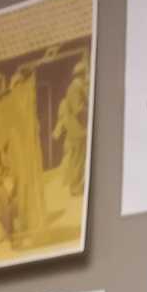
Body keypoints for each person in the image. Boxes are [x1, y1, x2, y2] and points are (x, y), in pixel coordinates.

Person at [52, 57, 89, 195]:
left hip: (79, 129)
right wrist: (89, 111)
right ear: (81, 74)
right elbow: (78, 109)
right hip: (77, 130)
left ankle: (77, 186)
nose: (86, 75)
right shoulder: (75, 88)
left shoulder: (77, 87)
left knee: (79, 158)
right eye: (85, 73)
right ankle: (75, 187)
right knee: (77, 159)